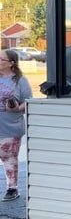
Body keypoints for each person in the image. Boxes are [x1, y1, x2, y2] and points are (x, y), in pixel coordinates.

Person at [0, 48, 33, 202]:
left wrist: (17, 108)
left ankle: (12, 189)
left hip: (11, 127)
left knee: (9, 159)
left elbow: (28, 102)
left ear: (11, 63)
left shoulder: (20, 81)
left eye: (1, 59)